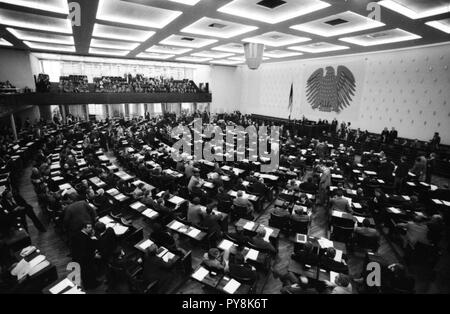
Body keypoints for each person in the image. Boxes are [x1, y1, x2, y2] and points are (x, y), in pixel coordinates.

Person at [71, 222, 99, 289]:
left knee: (85, 273)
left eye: (91, 227)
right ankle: (92, 285)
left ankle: (87, 284)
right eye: (89, 227)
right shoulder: (84, 238)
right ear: (84, 228)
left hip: (79, 258)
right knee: (89, 272)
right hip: (85, 260)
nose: (91, 229)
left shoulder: (80, 233)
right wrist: (94, 255)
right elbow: (86, 251)